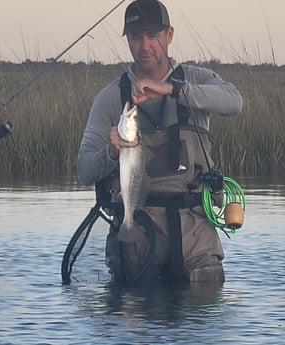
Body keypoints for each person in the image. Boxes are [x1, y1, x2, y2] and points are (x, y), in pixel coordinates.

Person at [77, 0, 243, 285]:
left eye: (153, 35)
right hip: (135, 243)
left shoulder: (196, 79)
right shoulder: (111, 98)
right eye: (136, 36)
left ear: (169, 35)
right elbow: (83, 170)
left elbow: (234, 102)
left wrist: (174, 90)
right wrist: (112, 152)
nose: (145, 46)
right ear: (128, 40)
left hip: (195, 242)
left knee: (200, 324)